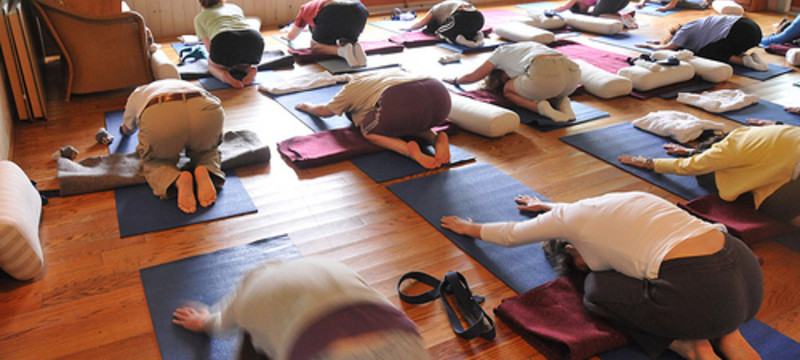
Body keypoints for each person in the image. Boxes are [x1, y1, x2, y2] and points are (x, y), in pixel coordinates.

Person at [440, 191, 763, 360]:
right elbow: (588, 213)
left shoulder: (572, 225)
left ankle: (694, 348)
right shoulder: (626, 198)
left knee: (595, 289)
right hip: (746, 275)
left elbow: (511, 234)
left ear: (569, 247)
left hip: (697, 288)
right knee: (720, 320)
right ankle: (729, 333)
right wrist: (547, 206)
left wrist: (469, 227)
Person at [172, 257, 430, 360]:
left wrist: (203, 321)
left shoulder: (251, 290)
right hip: (405, 340)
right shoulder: (330, 264)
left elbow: (218, 323)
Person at [619, 123, 800, 224]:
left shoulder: (727, 150)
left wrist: (649, 163)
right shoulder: (749, 132)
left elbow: (689, 167)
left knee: (775, 209)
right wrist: (691, 151)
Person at [295, 69, 451, 169]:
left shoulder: (351, 87)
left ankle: (409, 150)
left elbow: (324, 111)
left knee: (368, 131)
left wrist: (308, 106)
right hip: (439, 95)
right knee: (415, 119)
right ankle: (436, 139)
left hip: (400, 98)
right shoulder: (389, 72)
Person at [120, 79, 225, 214]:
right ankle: (205, 169)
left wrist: (124, 130)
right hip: (205, 109)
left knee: (153, 161)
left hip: (161, 115)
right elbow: (213, 99)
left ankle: (177, 179)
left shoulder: (138, 92)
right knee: (208, 150)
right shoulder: (185, 83)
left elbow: (128, 129)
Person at [448, 41, 580, 122]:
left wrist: (454, 80)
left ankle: (542, 109)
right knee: (551, 83)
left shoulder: (499, 52)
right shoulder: (526, 46)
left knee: (508, 90)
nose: (510, 78)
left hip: (544, 71)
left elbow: (472, 77)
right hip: (573, 75)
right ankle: (563, 101)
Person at [633, 14, 769, 70]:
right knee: (717, 48)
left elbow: (670, 47)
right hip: (753, 31)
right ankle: (746, 56)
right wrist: (658, 42)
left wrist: (647, 45)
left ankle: (744, 61)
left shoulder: (685, 29)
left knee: (705, 53)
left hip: (740, 30)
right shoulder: (696, 28)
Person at [194, 0, 265, 88]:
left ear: (202, 5)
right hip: (254, 40)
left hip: (223, 39)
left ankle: (225, 76)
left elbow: (209, 48)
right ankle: (250, 69)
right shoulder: (234, 7)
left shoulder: (199, 17)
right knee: (243, 63)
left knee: (211, 64)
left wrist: (217, 60)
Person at [282, 0, 370, 67]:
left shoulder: (304, 9)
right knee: (346, 38)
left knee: (316, 46)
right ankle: (355, 48)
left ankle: (342, 51)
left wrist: (286, 37)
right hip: (359, 9)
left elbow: (292, 35)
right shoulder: (317, 4)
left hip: (331, 10)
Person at [405, 0, 485, 46]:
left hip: (461, 16)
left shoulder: (434, 10)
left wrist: (409, 28)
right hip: (479, 18)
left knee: (440, 32)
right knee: (461, 29)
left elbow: (422, 23)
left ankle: (460, 40)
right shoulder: (444, 6)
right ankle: (476, 34)